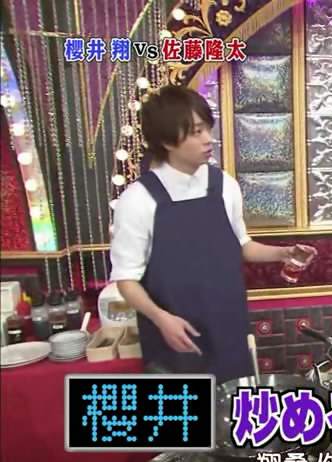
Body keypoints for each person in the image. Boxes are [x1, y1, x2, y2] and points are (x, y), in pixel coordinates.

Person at [109, 85, 317, 384]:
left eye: (208, 128)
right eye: (196, 132)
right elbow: (126, 280)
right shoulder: (138, 200)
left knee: (234, 404)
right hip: (176, 335)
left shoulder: (224, 185)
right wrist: (160, 318)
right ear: (167, 140)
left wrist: (282, 253)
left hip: (229, 325)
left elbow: (241, 245)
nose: (208, 139)